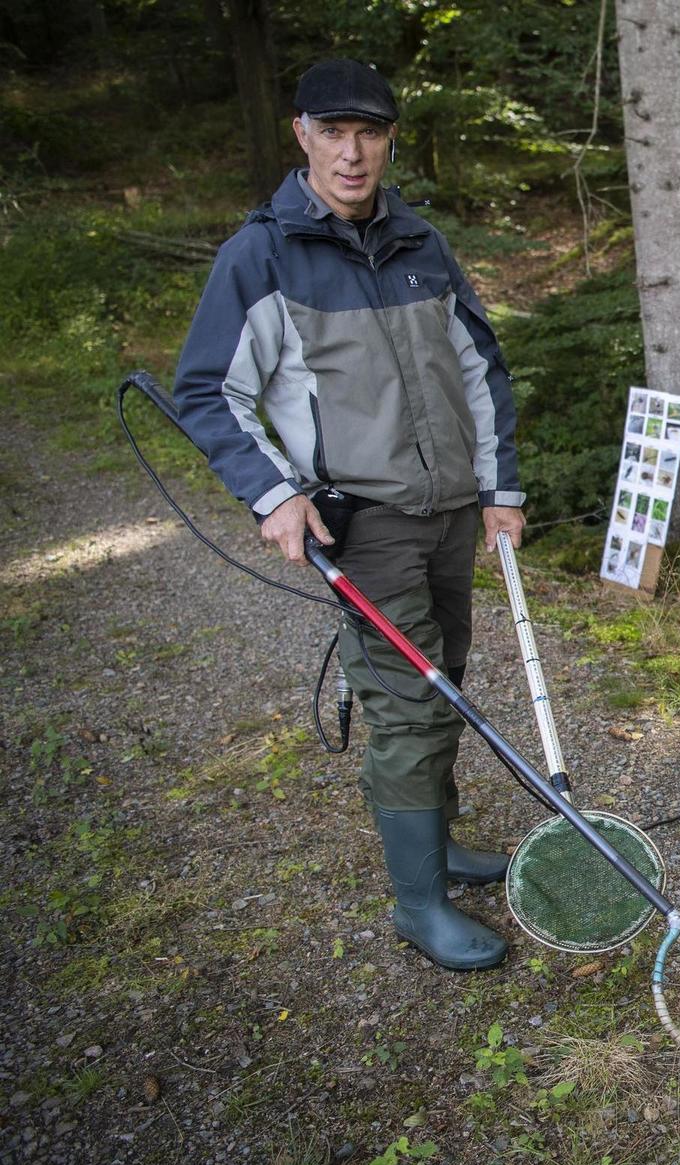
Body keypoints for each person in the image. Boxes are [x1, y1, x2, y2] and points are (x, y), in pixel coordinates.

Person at [172, 59, 523, 970]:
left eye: (369, 131)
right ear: (302, 135)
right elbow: (208, 392)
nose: (352, 152)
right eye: (333, 131)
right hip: (360, 528)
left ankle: (438, 840)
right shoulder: (261, 255)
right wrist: (276, 493)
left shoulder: (423, 245)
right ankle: (419, 904)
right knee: (409, 705)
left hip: (449, 515)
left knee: (445, 674)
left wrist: (501, 489)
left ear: (390, 137)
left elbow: (481, 373)